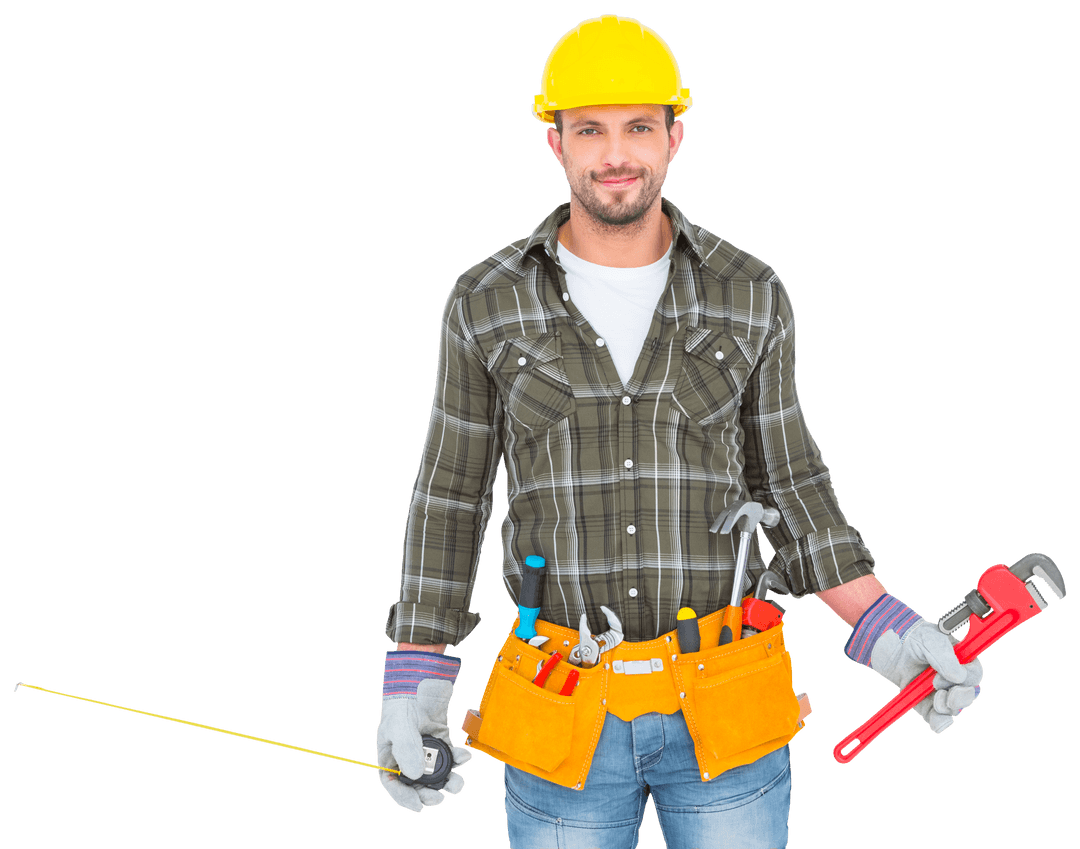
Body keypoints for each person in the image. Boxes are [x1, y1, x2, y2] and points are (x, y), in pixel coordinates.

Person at [376, 15, 982, 849]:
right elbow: (450, 497)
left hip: (725, 699)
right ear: (556, 141)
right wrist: (417, 681)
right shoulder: (485, 300)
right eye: (590, 128)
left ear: (674, 137)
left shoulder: (749, 290)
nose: (615, 153)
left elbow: (792, 487)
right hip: (561, 708)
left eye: (638, 127)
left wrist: (892, 633)